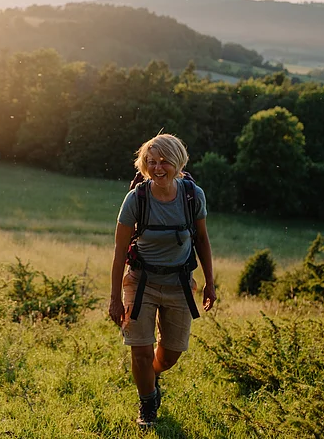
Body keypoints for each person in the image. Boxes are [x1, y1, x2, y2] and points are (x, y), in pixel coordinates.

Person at [108, 133, 216, 429]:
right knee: (140, 351)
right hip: (140, 283)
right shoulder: (136, 199)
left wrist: (210, 282)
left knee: (170, 355)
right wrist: (115, 298)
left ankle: (152, 379)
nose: (158, 168)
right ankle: (147, 403)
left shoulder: (193, 196)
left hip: (179, 284)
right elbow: (119, 253)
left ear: (178, 162)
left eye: (164, 161)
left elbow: (203, 240)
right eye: (151, 162)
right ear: (144, 165)